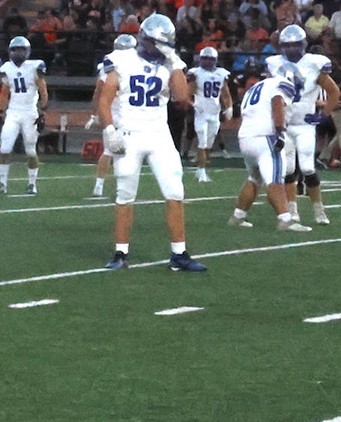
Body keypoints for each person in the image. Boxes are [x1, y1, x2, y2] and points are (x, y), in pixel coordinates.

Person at [94, 14, 207, 272]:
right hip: (130, 133)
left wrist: (174, 60)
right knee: (125, 193)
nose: (158, 48)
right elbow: (104, 98)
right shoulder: (121, 59)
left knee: (175, 190)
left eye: (163, 44)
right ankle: (120, 252)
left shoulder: (170, 63)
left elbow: (181, 98)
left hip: (158, 133)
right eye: (155, 43)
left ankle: (179, 254)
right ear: (144, 39)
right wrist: (110, 129)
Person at [266, 24, 340, 226]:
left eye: (295, 45)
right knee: (289, 169)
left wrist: (323, 116)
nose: (291, 49)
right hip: (286, 125)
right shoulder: (274, 64)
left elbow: (334, 93)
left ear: (303, 44)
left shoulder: (314, 64)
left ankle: (319, 210)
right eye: (287, 45)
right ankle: (292, 209)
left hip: (305, 124)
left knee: (307, 168)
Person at [227, 72, 309, 231]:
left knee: (254, 177)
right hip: (266, 136)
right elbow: (277, 101)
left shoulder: (255, 87)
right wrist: (279, 132)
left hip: (246, 137)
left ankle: (238, 216)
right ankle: (286, 219)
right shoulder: (282, 84)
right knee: (275, 179)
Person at [0, 36, 48, 194]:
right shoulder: (7, 68)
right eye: (15, 49)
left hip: (30, 112)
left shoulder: (34, 66)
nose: (18, 52)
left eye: (21, 49)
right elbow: (4, 94)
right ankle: (2, 184)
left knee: (30, 150)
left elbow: (43, 91)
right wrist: (0, 114)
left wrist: (42, 113)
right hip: (13, 112)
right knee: (5, 148)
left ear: (27, 51)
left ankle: (32, 184)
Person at [85, 35, 135, 198]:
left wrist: (94, 114)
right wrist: (94, 114)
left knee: (110, 151)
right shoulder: (136, 65)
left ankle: (99, 186)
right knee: (123, 152)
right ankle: (120, 186)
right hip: (124, 113)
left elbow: (98, 93)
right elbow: (99, 92)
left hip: (114, 113)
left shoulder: (110, 65)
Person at [186, 46, 233, 183]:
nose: (207, 61)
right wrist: (194, 105)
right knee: (202, 142)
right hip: (201, 113)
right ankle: (201, 171)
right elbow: (187, 94)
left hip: (214, 112)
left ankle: (201, 167)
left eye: (209, 59)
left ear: (215, 60)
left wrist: (229, 107)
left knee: (209, 144)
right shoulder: (196, 73)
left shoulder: (221, 74)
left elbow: (225, 93)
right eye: (204, 58)